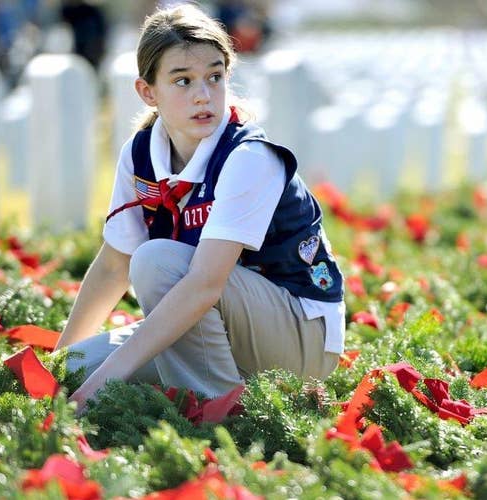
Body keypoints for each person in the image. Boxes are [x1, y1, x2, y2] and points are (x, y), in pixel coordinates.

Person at [55, 3, 345, 410]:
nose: (203, 95)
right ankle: (202, 386)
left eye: (214, 76)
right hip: (220, 324)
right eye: (183, 81)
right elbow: (112, 265)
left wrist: (106, 381)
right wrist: (56, 366)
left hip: (299, 334)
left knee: (157, 262)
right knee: (78, 366)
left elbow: (205, 283)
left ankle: (220, 410)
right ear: (147, 91)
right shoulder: (140, 154)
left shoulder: (247, 156)